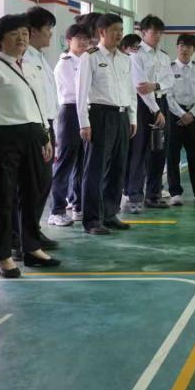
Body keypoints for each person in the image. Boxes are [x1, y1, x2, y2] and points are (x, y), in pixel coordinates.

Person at [0, 14, 60, 278]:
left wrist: (45, 136)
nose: (21, 38)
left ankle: (31, 247)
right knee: (3, 198)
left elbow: (39, 106)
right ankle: (3, 256)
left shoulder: (32, 68)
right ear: (0, 40)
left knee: (33, 194)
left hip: (34, 135)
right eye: (14, 34)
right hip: (4, 138)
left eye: (24, 33)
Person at [77, 13, 138, 235]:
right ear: (102, 32)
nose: (119, 34)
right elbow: (81, 92)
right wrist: (84, 123)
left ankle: (110, 214)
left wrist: (132, 118)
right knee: (95, 169)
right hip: (100, 116)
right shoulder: (90, 57)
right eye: (115, 30)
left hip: (121, 116)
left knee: (118, 168)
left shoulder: (125, 58)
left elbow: (130, 91)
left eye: (121, 30)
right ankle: (92, 220)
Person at [126, 15, 173, 211]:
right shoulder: (135, 55)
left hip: (161, 101)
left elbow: (170, 81)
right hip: (143, 106)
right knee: (139, 151)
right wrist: (156, 110)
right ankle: (135, 196)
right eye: (154, 32)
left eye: (160, 32)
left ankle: (154, 195)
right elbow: (140, 87)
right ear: (143, 32)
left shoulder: (164, 56)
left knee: (159, 150)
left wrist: (156, 85)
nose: (158, 35)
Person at [22, 6, 59, 246]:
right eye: (47, 28)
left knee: (43, 182)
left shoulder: (40, 58)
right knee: (32, 184)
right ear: (33, 31)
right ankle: (24, 237)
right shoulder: (25, 58)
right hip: (35, 126)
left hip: (47, 124)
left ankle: (32, 231)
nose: (50, 34)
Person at [50, 23, 91, 226]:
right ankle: (56, 210)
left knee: (82, 162)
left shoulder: (87, 60)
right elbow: (76, 92)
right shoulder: (65, 63)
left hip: (86, 113)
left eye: (86, 39)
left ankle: (77, 205)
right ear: (69, 41)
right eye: (79, 39)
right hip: (70, 113)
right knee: (65, 162)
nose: (83, 42)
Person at [166, 34, 195, 203]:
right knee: (173, 156)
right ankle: (175, 193)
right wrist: (181, 114)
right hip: (174, 116)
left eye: (189, 47)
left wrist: (191, 114)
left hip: (193, 116)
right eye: (181, 46)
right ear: (177, 47)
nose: (184, 49)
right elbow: (168, 95)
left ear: (194, 50)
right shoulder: (169, 69)